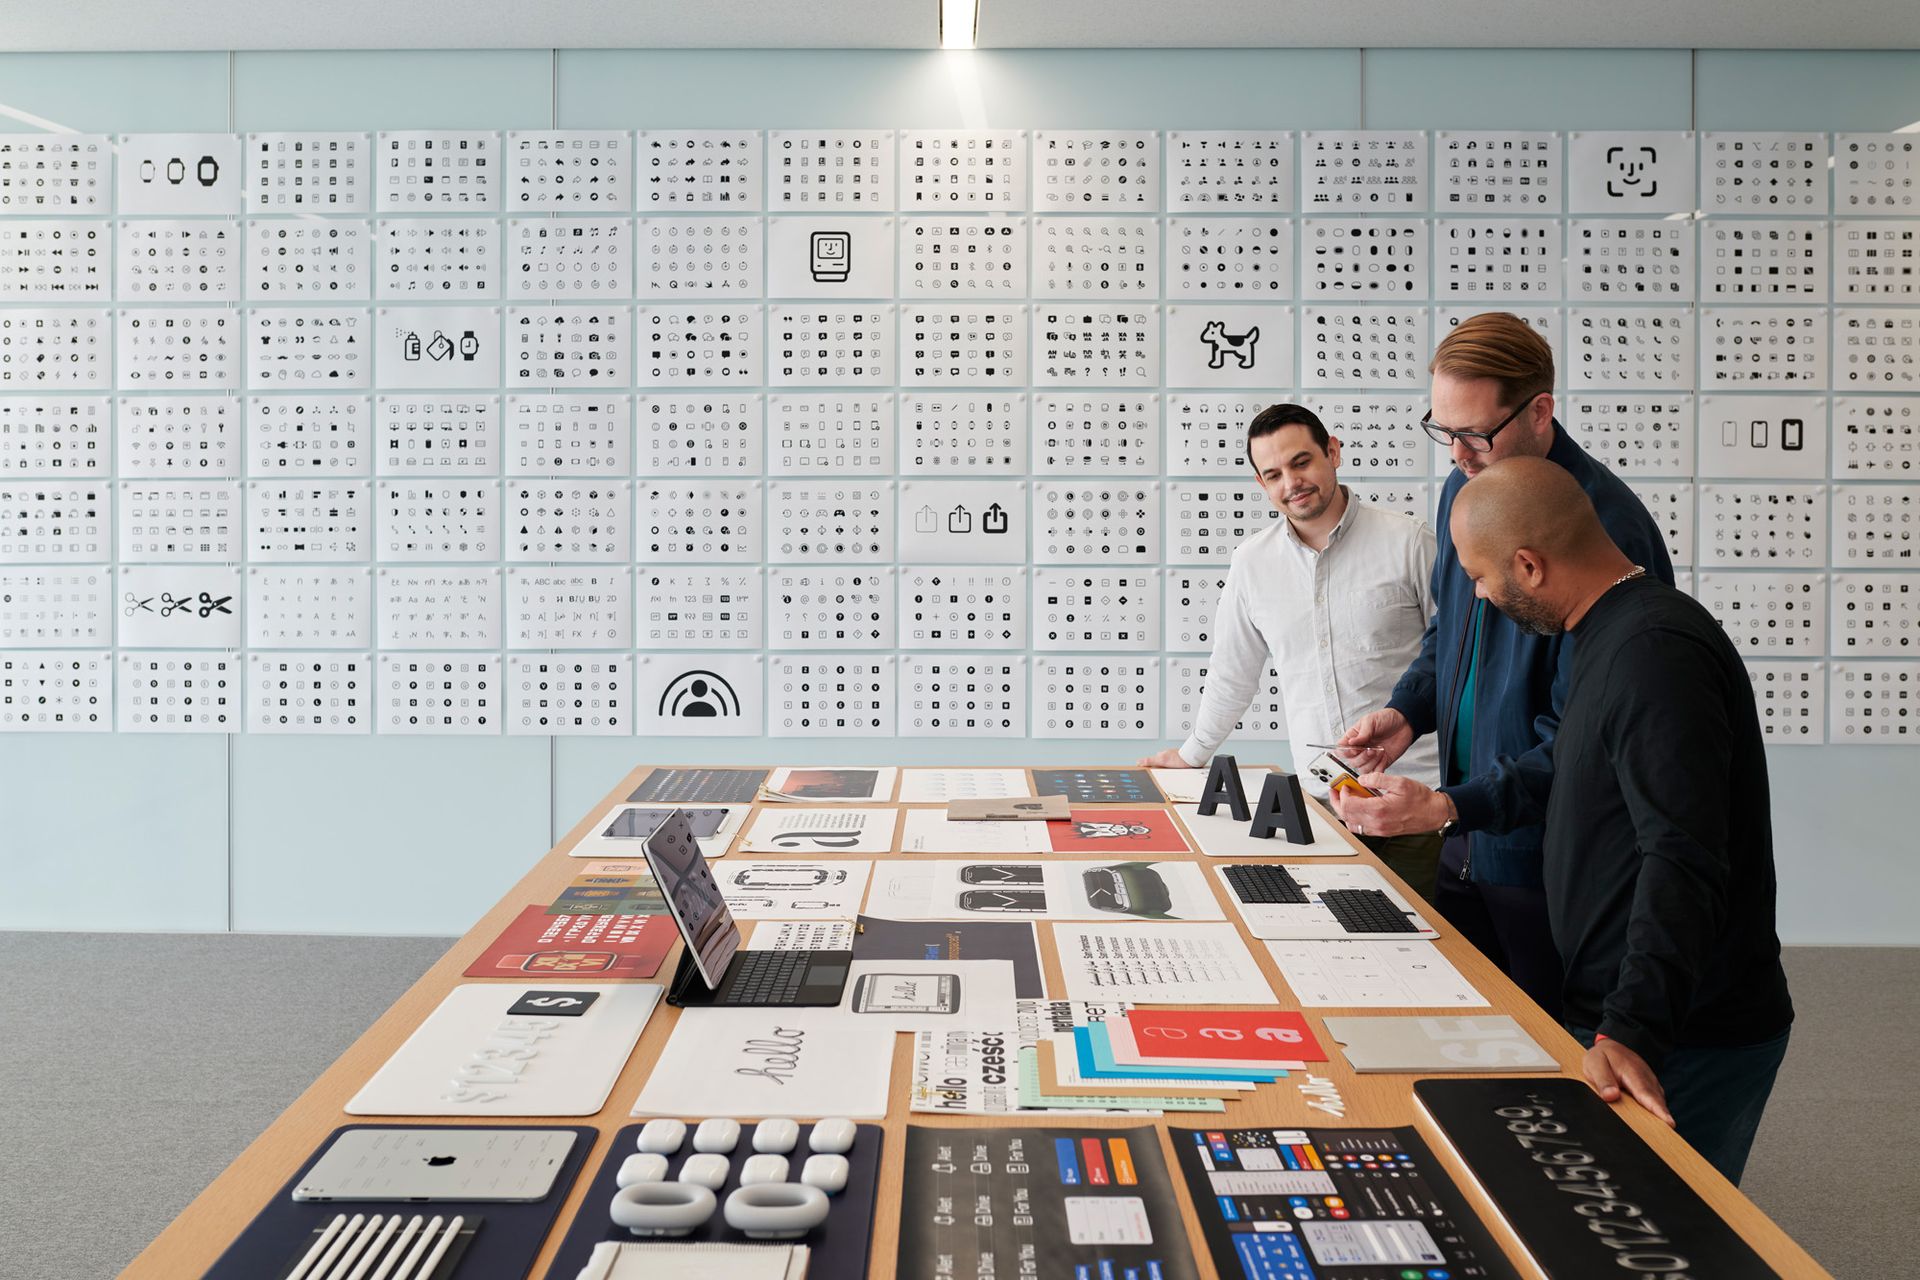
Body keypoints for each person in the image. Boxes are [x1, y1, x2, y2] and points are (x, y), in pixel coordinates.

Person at [1442, 457, 1793, 1184]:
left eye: (1481, 577)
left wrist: (1631, 1029)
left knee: (1664, 1236)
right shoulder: (1600, 634)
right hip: (1629, 1011)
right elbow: (1569, 772)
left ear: (1530, 566)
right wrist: (1452, 806)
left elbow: (1684, 856)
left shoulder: (1654, 656)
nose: (1479, 595)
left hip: (1682, 1031)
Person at [1330, 313, 1673, 1017]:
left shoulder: (1609, 529)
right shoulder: (1468, 488)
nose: (1457, 454)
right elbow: (1451, 633)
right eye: (1443, 429)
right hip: (1467, 835)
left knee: (1555, 1061)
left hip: (1546, 855)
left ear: (1540, 410)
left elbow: (1589, 740)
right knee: (1475, 1039)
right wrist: (1409, 710)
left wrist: (1457, 804)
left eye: (1475, 433)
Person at [1140, 403, 1442, 900]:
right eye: (1274, 474)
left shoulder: (1409, 543)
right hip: (1320, 805)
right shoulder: (1252, 563)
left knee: (1426, 954)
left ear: (1333, 451)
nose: (1291, 483)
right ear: (1262, 484)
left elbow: (1455, 662)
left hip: (1413, 798)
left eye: (1301, 463)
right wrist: (1194, 756)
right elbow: (1233, 671)